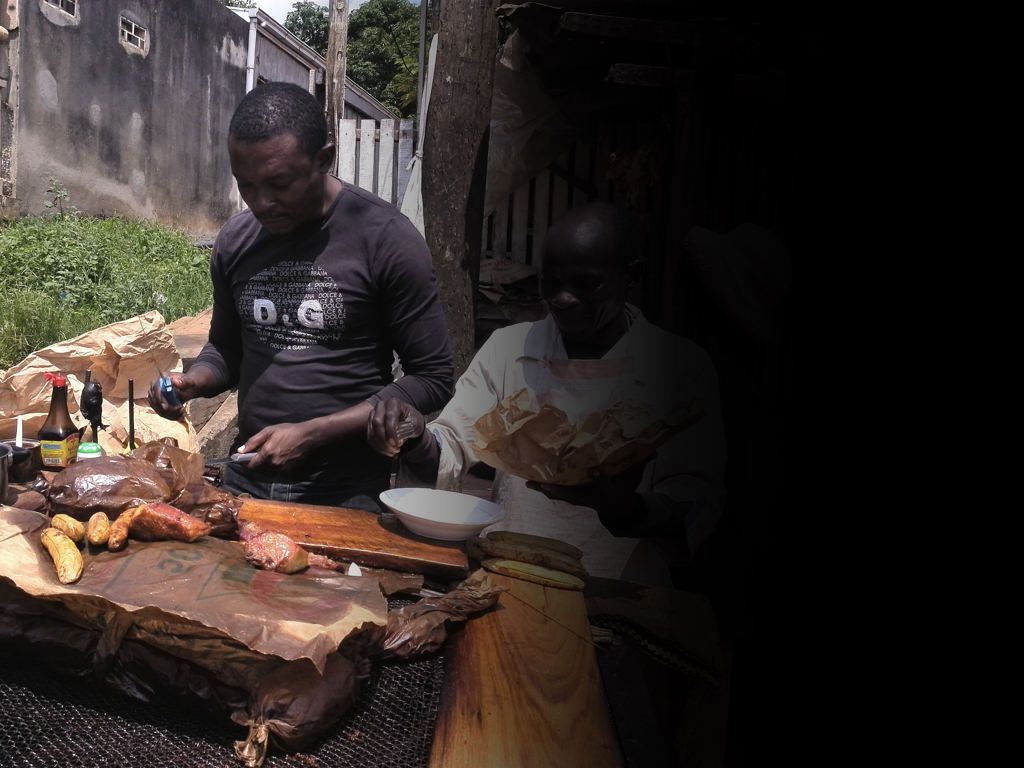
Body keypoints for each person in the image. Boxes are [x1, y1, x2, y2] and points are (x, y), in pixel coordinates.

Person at [368, 201, 726, 587]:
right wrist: (417, 435)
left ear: (631, 277)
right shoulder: (510, 350)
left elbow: (695, 499)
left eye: (586, 284)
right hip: (509, 574)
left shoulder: (677, 366)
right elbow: (453, 444)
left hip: (624, 590)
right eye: (551, 283)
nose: (563, 299)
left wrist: (626, 510)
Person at [149, 81, 453, 512]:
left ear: (324, 159)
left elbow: (433, 377)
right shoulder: (236, 241)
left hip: (347, 490)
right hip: (246, 473)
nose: (262, 202)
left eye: (280, 183)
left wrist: (312, 433)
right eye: (246, 185)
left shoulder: (385, 239)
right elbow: (226, 349)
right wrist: (192, 382)